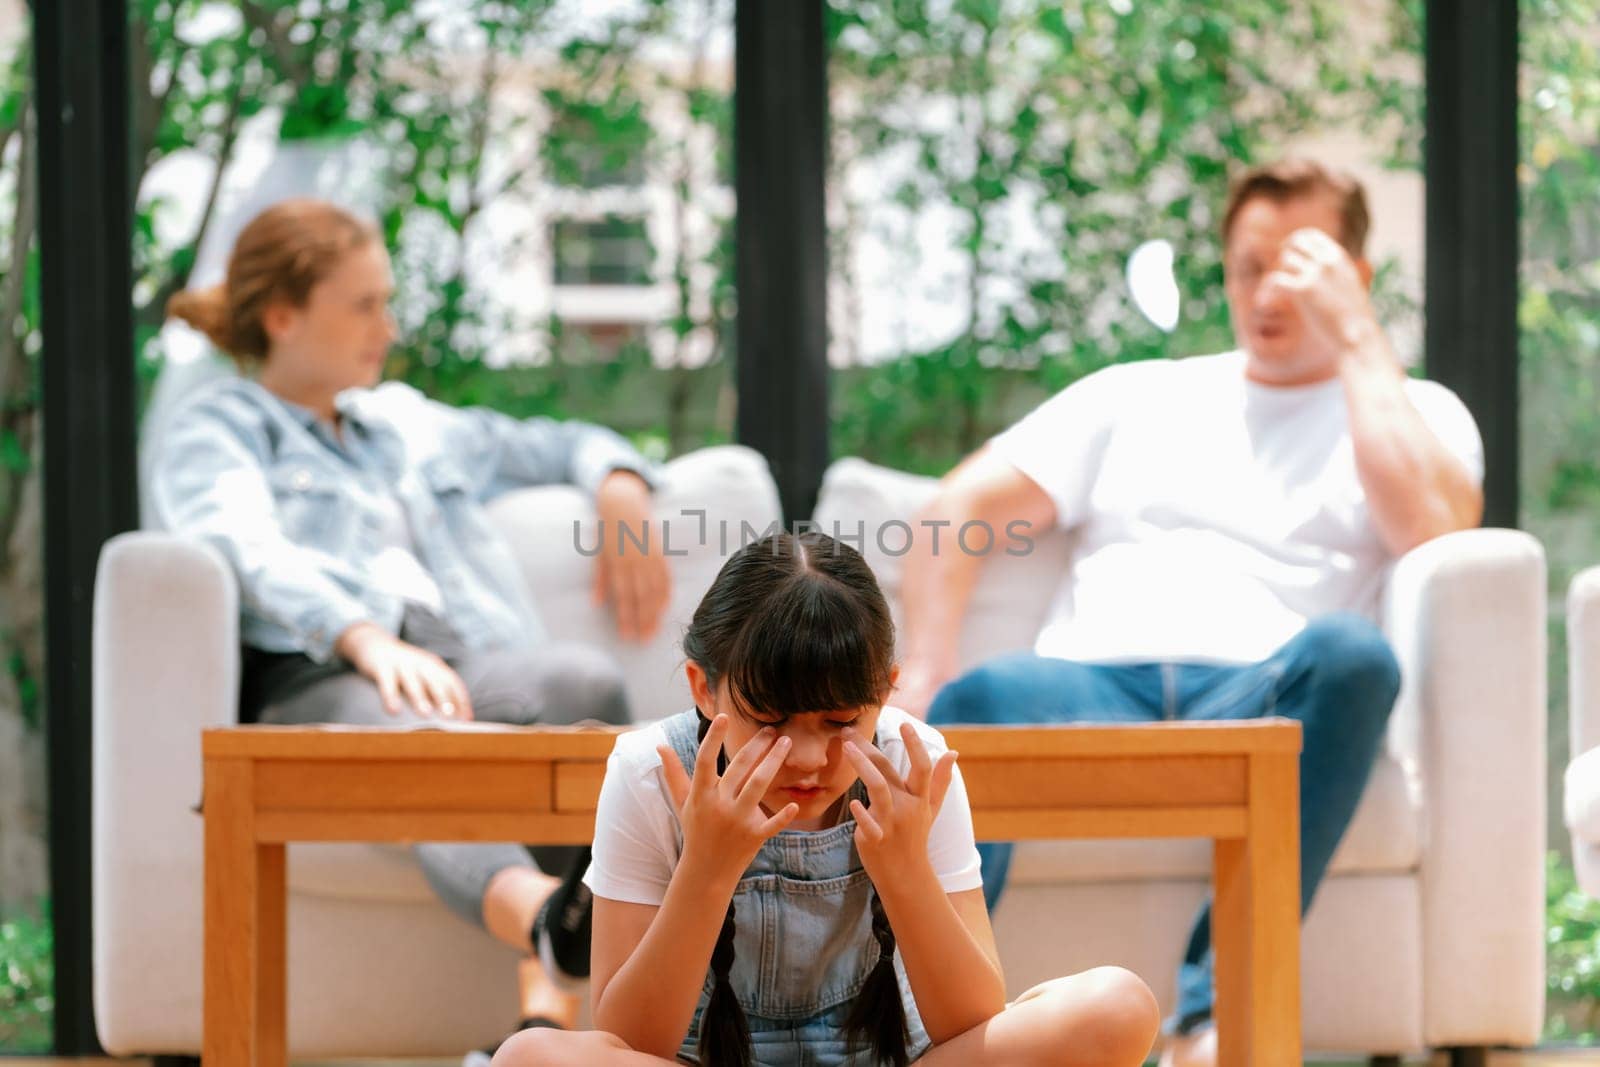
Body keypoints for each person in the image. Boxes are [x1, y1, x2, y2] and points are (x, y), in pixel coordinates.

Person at [892, 159, 1485, 1067]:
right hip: (1093, 687)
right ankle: (933, 1028)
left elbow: (1440, 530)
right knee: (980, 695)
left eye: (1300, 265)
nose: (1267, 290)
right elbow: (955, 512)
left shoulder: (1410, 411)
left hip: (1267, 691)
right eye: (1249, 267)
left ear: (1355, 272)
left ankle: (1209, 1020)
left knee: (1355, 657)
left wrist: (1359, 337)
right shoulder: (1136, 394)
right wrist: (923, 679)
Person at [150, 198, 672, 1056]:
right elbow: (240, 544)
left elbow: (556, 441)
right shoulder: (221, 427)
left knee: (579, 684)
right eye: (364, 305)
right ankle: (551, 926)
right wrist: (360, 634)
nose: (385, 328)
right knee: (423, 739)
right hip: (319, 669)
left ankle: (550, 994)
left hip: (452, 653)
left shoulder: (406, 424)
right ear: (283, 315)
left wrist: (619, 481)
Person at [495, 531, 1160, 1066]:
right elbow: (632, 1039)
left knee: (1117, 1006)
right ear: (704, 687)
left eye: (842, 722)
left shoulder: (912, 763)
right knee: (529, 1056)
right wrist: (708, 865)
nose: (810, 757)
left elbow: (971, 1022)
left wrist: (904, 870)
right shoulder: (651, 770)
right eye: (771, 720)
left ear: (887, 689)